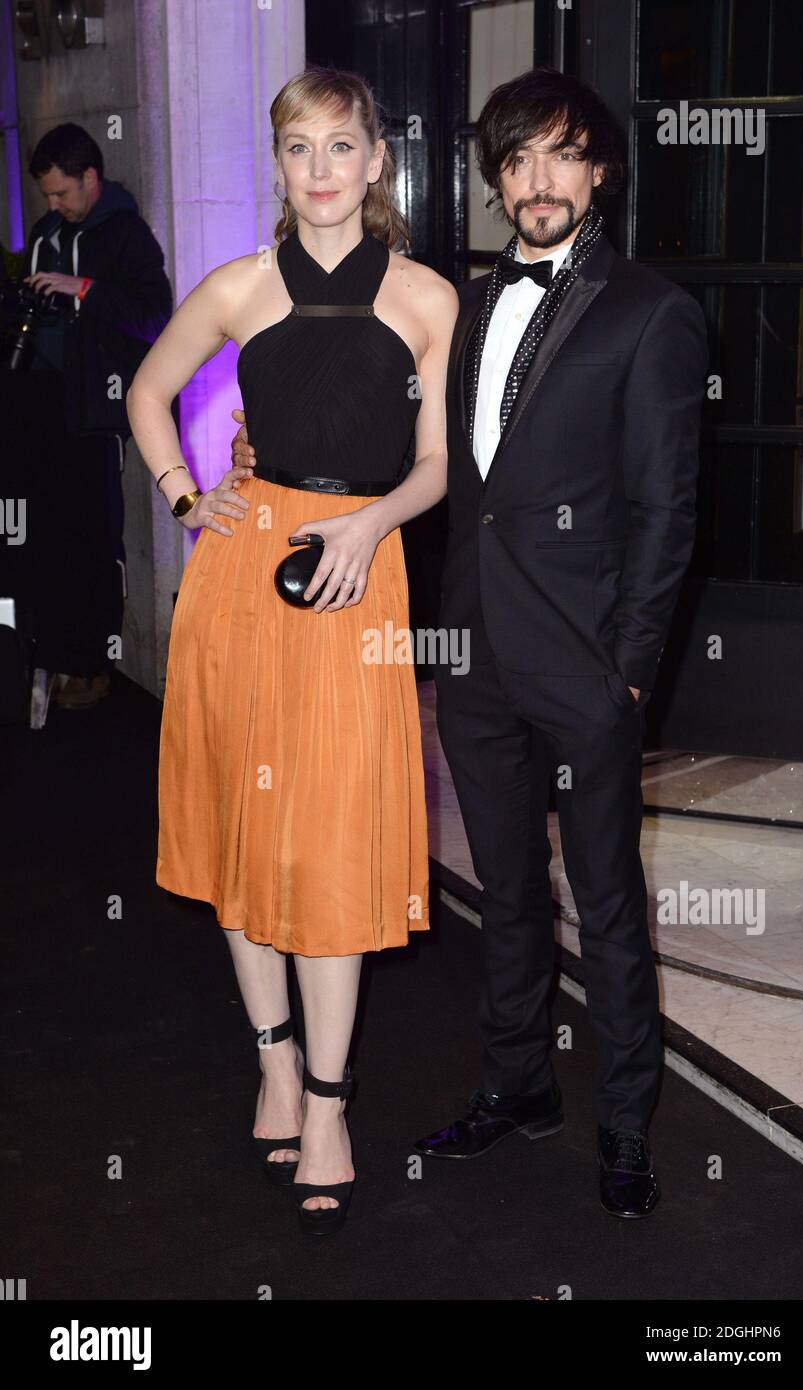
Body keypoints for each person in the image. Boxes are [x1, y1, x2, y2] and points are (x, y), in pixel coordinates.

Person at [127, 65, 456, 1235]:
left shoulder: (426, 297)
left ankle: (329, 1098)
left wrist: (371, 522)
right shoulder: (239, 285)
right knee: (240, 825)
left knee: (328, 840)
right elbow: (149, 391)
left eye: (340, 148)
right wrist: (183, 495)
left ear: (378, 163)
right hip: (242, 574)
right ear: (280, 166)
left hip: (359, 574)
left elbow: (434, 464)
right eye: (298, 149)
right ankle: (273, 1060)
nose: (319, 170)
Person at [411, 68, 708, 1217]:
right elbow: (463, 481)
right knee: (506, 893)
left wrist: (630, 669)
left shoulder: (651, 311)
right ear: (497, 178)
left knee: (609, 902)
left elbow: (666, 512)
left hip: (585, 665)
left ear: (600, 171)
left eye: (559, 156)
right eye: (516, 159)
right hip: (478, 659)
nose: (536, 181)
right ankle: (518, 1085)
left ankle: (626, 1125)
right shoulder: (472, 304)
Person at [19, 123, 172, 710]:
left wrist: (83, 288)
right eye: (47, 196)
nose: (53, 205)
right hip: (42, 405)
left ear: (90, 178)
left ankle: (93, 666)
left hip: (96, 410)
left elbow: (154, 317)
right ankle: (53, 657)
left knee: (93, 541)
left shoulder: (125, 233)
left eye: (61, 193)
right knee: (51, 540)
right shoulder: (46, 231)